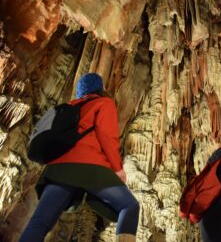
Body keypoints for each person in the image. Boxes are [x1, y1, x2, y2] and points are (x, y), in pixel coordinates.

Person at [20, 73, 139, 242]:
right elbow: (107, 136)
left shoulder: (68, 106)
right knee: (129, 206)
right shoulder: (104, 103)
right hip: (89, 167)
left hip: (58, 169)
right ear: (100, 88)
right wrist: (118, 169)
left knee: (40, 221)